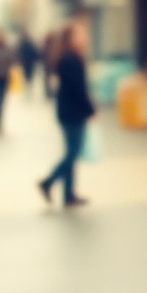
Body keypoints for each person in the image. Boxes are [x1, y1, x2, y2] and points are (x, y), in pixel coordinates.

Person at [37, 23, 95, 208]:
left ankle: (69, 194)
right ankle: (48, 182)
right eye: (80, 34)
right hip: (72, 113)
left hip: (69, 112)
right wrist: (90, 109)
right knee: (72, 153)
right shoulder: (70, 59)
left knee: (71, 153)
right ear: (71, 39)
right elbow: (77, 89)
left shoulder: (69, 57)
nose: (84, 37)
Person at [17, 31, 40, 96]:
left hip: (27, 62)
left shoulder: (23, 44)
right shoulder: (30, 44)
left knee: (27, 75)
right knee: (29, 76)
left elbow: (19, 53)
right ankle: (29, 88)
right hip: (29, 62)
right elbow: (35, 52)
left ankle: (28, 88)